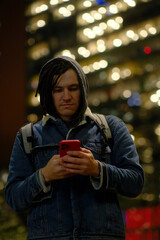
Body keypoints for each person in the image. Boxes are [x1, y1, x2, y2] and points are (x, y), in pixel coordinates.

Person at [5, 56, 144, 240]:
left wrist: (96, 169)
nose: (66, 97)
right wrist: (44, 176)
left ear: (83, 90)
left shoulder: (111, 127)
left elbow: (136, 183)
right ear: (49, 93)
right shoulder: (28, 136)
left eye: (73, 88)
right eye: (58, 90)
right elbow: (14, 198)